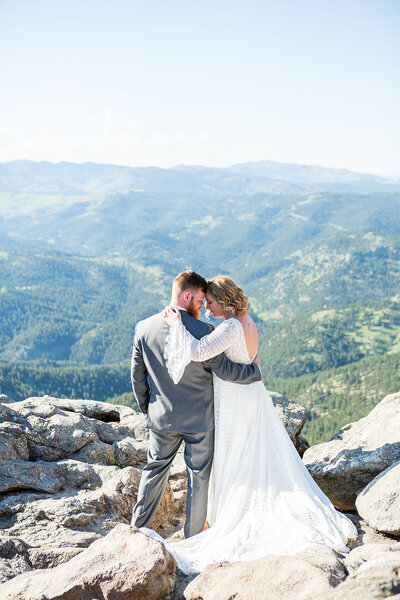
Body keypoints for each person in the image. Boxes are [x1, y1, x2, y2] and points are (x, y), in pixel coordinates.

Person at [141, 275, 357, 574]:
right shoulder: (248, 321)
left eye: (212, 302)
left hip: (234, 400)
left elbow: (198, 352)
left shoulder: (229, 326)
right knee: (253, 454)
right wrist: (252, 370)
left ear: (224, 300)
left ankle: (229, 515)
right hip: (250, 396)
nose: (207, 309)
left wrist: (178, 325)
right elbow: (250, 361)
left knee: (237, 454)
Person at [130, 270, 262, 539]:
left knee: (154, 471)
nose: (203, 306)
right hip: (201, 420)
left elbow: (137, 377)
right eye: (201, 301)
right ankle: (193, 539)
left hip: (161, 418)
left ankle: (136, 531)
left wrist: (150, 410)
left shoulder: (143, 328)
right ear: (187, 296)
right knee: (198, 478)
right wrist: (253, 372)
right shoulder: (204, 331)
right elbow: (224, 370)